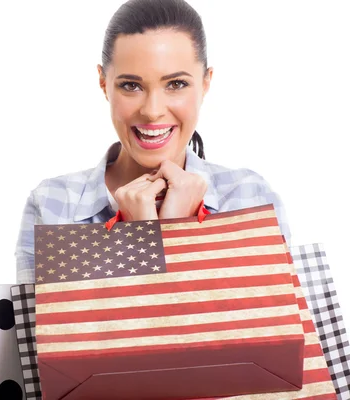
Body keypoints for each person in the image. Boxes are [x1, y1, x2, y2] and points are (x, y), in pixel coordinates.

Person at [15, 0, 291, 285]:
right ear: (103, 83)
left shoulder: (250, 198)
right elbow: (45, 330)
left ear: (206, 83)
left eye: (176, 84)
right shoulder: (52, 205)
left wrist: (173, 232)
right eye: (131, 86)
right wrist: (138, 240)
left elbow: (280, 327)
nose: (152, 110)